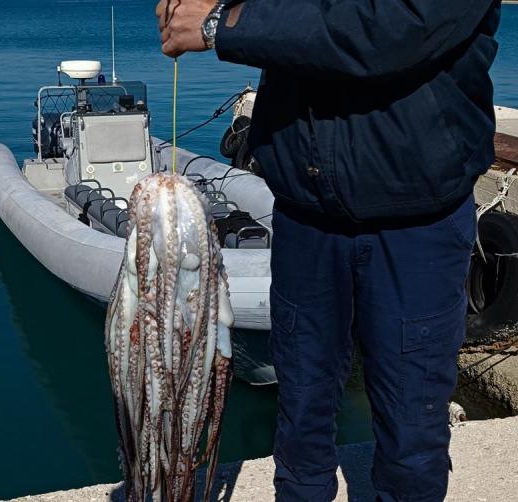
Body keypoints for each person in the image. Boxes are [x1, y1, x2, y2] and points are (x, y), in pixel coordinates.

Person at [157, 1, 500, 500]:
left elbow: (391, 28)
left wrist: (218, 25)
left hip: (416, 225)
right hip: (306, 215)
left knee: (412, 427)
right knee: (300, 417)